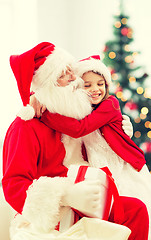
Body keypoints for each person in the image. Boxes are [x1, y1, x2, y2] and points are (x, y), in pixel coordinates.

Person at [2, 42, 149, 240]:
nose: (75, 79)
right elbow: (14, 184)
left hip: (87, 198)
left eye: (72, 71)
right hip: (53, 214)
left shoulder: (70, 116)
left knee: (136, 210)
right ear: (49, 84)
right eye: (65, 74)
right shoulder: (25, 126)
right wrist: (65, 197)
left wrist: (123, 128)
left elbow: (92, 124)